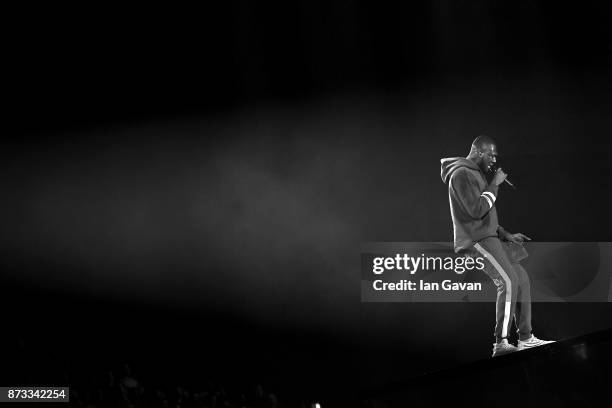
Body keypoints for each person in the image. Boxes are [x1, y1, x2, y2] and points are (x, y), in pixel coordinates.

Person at [440, 135, 555, 357]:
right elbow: (476, 210)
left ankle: (525, 338)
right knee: (507, 281)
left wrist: (505, 234)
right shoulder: (461, 174)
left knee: (521, 279)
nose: (493, 159)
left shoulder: (474, 174)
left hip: (489, 238)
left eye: (495, 155)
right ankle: (500, 344)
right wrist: (494, 184)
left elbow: (486, 215)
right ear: (478, 151)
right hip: (475, 241)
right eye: (491, 154)